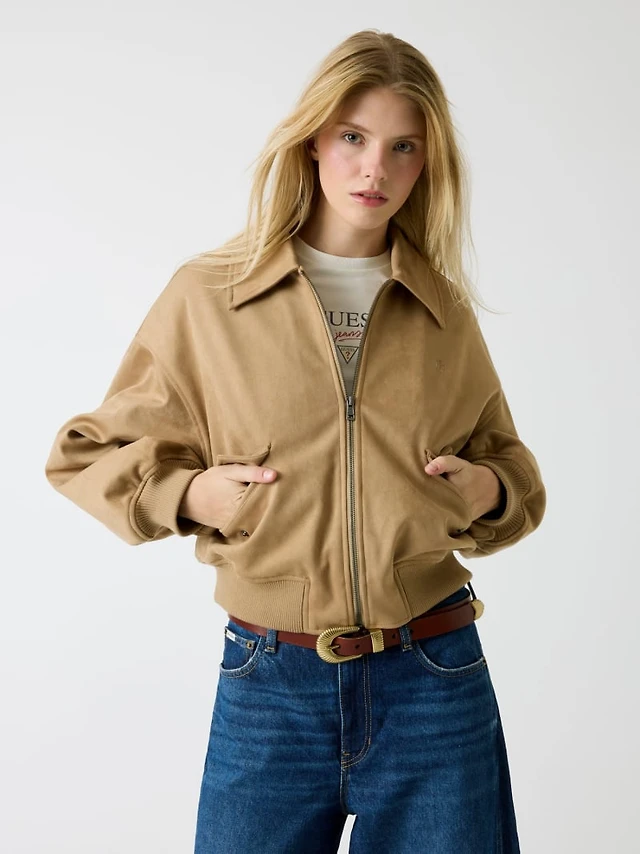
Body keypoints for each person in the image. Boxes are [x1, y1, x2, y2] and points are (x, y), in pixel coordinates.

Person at [44, 28, 546, 854]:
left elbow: (513, 469)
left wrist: (487, 491)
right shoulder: (212, 296)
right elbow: (83, 454)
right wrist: (190, 496)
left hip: (434, 673)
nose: (374, 169)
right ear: (313, 139)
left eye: (403, 146)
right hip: (270, 682)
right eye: (353, 137)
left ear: (427, 163)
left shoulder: (441, 307)